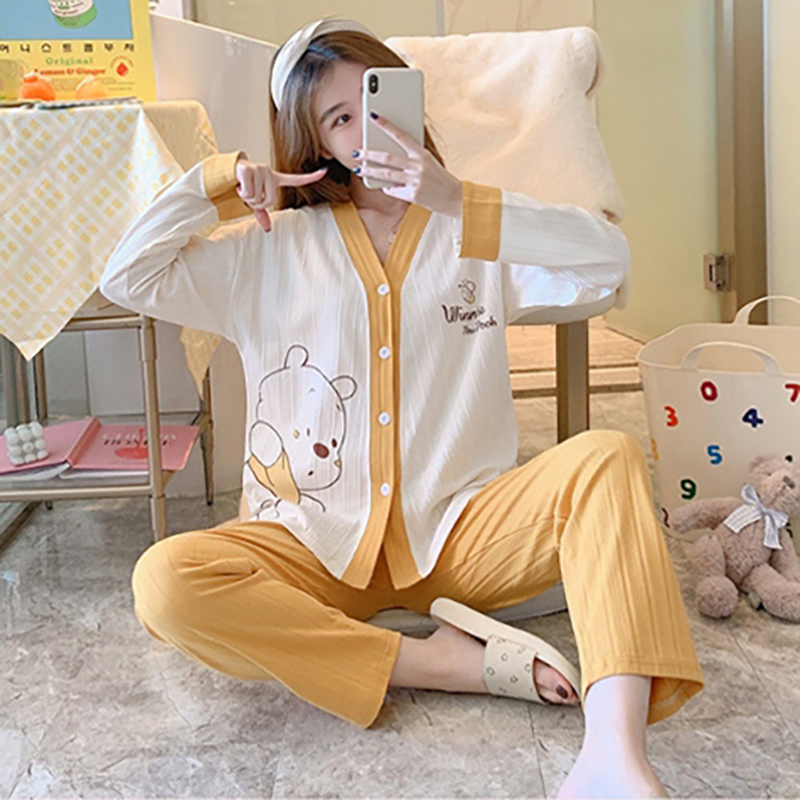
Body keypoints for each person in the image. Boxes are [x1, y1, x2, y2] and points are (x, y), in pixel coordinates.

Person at [100, 17, 704, 798]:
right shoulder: (268, 247)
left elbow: (607, 264)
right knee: (167, 581)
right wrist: (219, 183)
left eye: (379, 101)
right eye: (340, 117)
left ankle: (614, 752)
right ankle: (436, 663)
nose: (368, 128)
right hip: (310, 546)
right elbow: (128, 277)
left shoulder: (471, 231)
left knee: (607, 456)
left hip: (460, 535)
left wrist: (459, 199)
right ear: (313, 141)